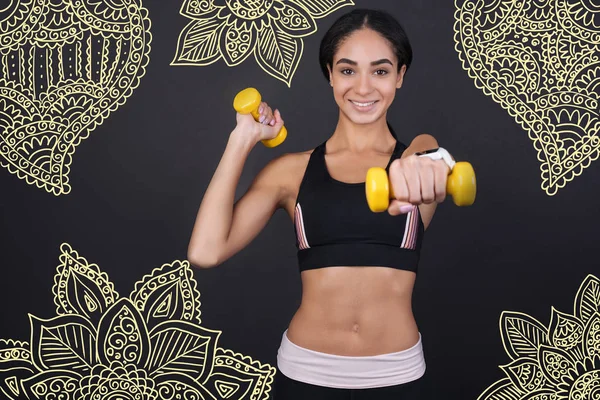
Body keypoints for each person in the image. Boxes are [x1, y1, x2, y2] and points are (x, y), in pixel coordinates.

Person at [188, 8, 453, 399]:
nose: (363, 88)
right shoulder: (290, 172)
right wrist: (241, 139)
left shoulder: (415, 169)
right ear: (330, 74)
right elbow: (206, 251)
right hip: (305, 374)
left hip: (397, 376)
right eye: (348, 70)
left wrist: (425, 150)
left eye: (380, 71)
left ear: (400, 76)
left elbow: (434, 159)